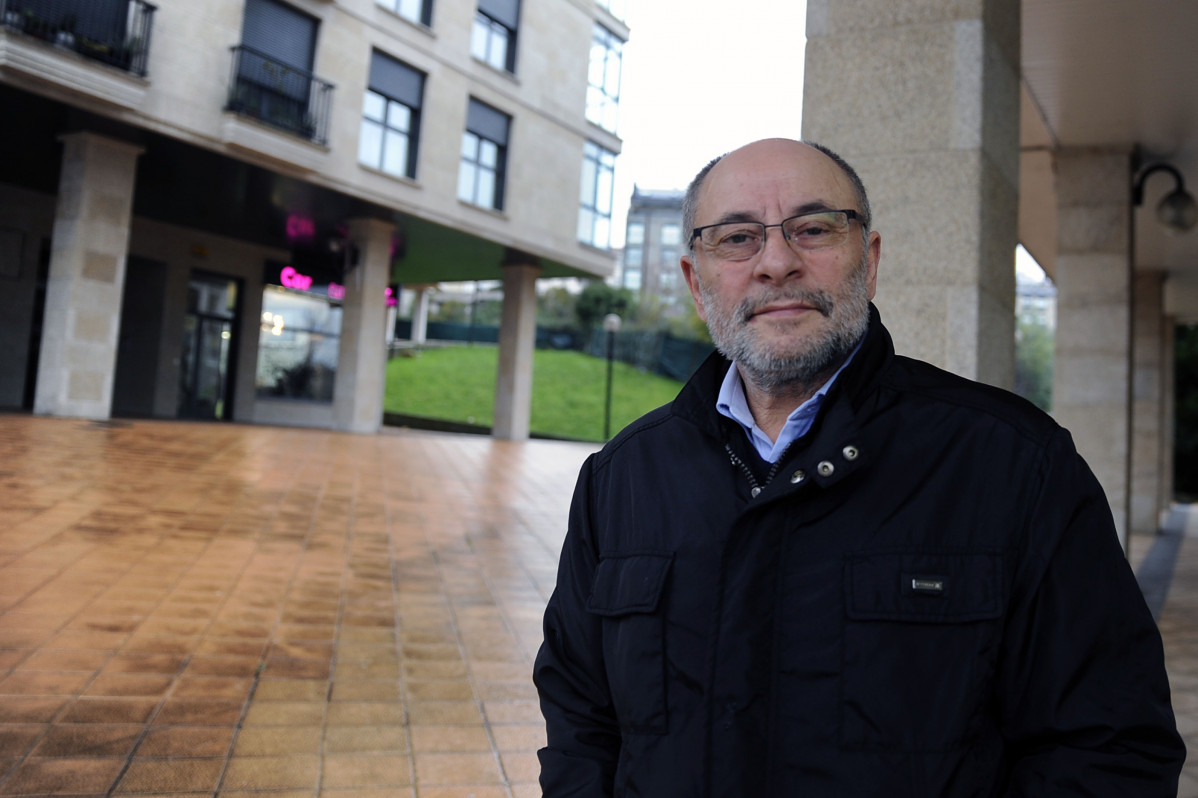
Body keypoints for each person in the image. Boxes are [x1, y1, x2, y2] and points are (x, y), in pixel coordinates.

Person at [533, 138, 1186, 796]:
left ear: (868, 263)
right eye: (736, 239)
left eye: (813, 229)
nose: (777, 263)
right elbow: (582, 727)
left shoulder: (1017, 466)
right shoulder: (620, 480)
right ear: (695, 283)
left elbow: (1109, 748)